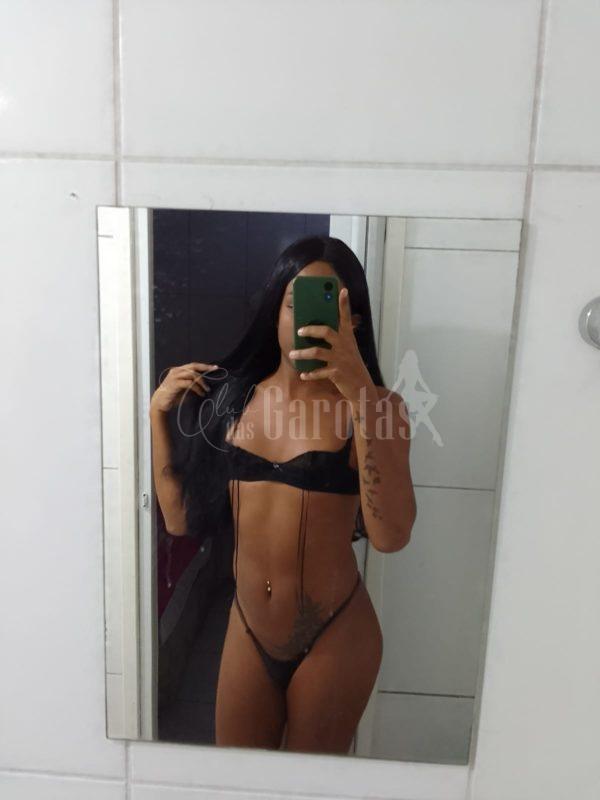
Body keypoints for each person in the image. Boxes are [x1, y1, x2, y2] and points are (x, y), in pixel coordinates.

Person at [149, 235, 416, 754]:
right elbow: (178, 521)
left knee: (309, 783)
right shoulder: (232, 400)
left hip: (336, 632)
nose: (304, 322)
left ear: (354, 322)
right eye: (294, 304)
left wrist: (360, 392)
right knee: (239, 779)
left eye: (326, 308)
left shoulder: (382, 409)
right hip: (247, 629)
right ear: (275, 310)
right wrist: (158, 416)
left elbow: (390, 537)